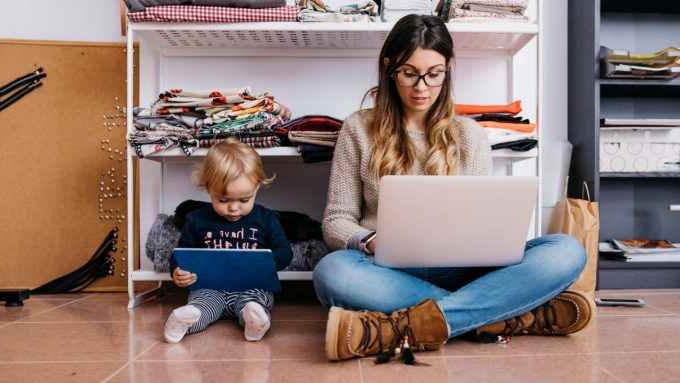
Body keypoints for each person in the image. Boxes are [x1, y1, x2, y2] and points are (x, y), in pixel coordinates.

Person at [313, 14, 590, 362]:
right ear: (389, 69)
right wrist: (367, 241)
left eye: (434, 74)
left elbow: (481, 219)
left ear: (447, 71)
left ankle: (408, 325)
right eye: (409, 73)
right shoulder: (358, 128)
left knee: (567, 250)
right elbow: (336, 220)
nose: (422, 86)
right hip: (386, 269)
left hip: (463, 268)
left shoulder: (469, 134)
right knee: (331, 273)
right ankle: (496, 314)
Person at [163, 138, 293, 343]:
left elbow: (285, 252)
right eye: (223, 200)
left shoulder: (266, 219)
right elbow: (182, 254)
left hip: (251, 285)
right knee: (202, 305)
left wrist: (268, 263)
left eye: (244, 200)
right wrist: (178, 271)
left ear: (257, 188)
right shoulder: (196, 219)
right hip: (210, 288)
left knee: (256, 301)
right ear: (208, 189)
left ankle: (253, 321)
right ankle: (185, 319)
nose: (233, 208)